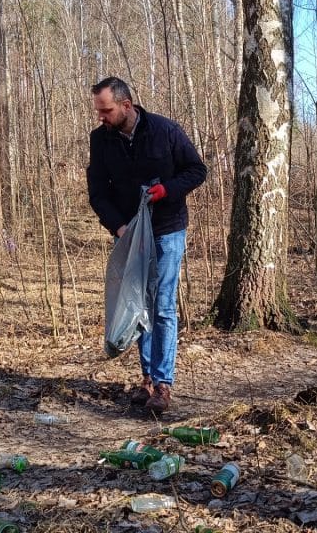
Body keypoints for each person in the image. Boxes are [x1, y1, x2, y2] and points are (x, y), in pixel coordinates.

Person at [86, 77, 207, 413]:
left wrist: (168, 190)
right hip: (129, 235)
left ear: (126, 105)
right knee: (139, 304)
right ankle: (148, 380)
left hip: (168, 229)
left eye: (106, 110)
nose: (101, 117)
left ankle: (163, 384)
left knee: (163, 305)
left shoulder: (165, 130)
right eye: (98, 110)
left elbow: (197, 170)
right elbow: (97, 191)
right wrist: (119, 227)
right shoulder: (101, 140)